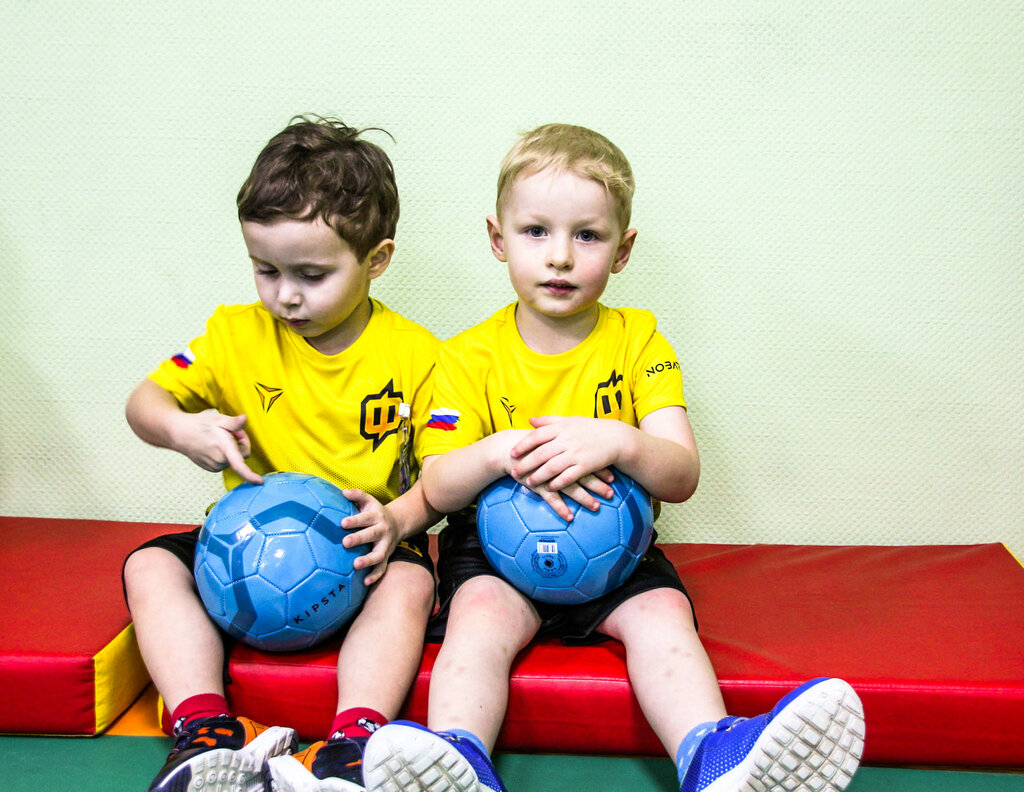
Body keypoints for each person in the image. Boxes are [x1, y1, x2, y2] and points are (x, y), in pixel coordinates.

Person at [361, 124, 865, 792]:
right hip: (496, 560)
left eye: (587, 236)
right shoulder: (464, 357)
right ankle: (459, 759)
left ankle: (713, 759)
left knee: (664, 617)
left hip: (618, 553)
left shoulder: (639, 340)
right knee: (477, 620)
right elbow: (439, 485)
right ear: (497, 238)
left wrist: (620, 441)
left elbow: (681, 475)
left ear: (622, 250)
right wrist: (501, 450)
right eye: (535, 231)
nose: (560, 257)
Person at [122, 116, 440, 792]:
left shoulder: (420, 356)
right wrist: (183, 428)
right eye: (266, 270)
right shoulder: (231, 335)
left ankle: (353, 744)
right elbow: (145, 400)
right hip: (240, 556)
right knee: (148, 565)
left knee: (413, 582)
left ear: (377, 259)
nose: (285, 295)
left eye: (311, 274)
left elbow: (445, 473)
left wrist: (399, 520)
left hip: (364, 552)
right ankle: (207, 730)